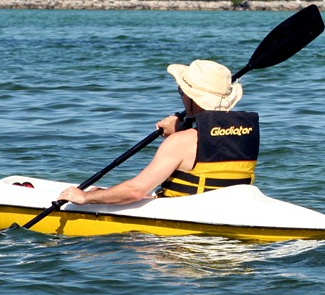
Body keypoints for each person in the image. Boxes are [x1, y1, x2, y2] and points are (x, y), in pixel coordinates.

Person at [58, 60, 259, 205]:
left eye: (181, 92)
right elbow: (207, 148)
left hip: (180, 242)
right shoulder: (245, 136)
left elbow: (135, 191)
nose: (181, 97)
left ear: (191, 98)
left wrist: (85, 197)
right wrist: (180, 129)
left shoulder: (181, 142)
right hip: (230, 212)